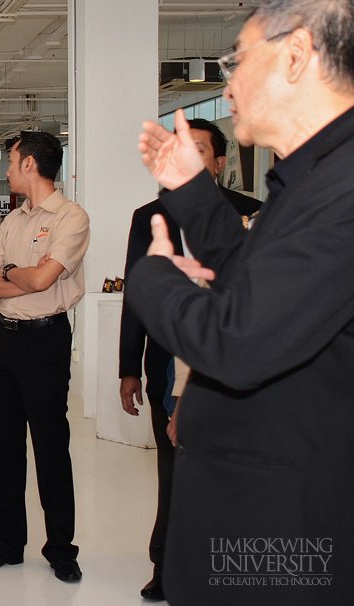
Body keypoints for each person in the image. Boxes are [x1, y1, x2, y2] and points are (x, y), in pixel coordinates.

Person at [130, 1, 354, 604]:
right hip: (257, 503)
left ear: (297, 54)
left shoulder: (343, 186)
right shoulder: (311, 178)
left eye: (236, 60)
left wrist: (151, 280)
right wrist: (193, 193)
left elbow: (238, 341)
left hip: (284, 521)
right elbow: (256, 290)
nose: (226, 86)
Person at [118, 117, 260, 601]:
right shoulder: (151, 215)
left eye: (201, 149)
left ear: (220, 163)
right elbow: (137, 295)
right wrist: (127, 368)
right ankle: (166, 564)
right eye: (184, 147)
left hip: (232, 371)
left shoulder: (252, 214)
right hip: (166, 367)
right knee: (172, 471)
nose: (191, 155)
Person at [0, 131, 89, 584]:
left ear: (32, 165)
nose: (7, 170)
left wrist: (12, 274)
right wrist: (24, 276)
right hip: (4, 343)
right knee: (2, 447)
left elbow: (42, 282)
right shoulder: (11, 221)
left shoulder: (71, 218)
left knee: (51, 448)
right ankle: (6, 542)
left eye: (12, 161)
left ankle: (61, 548)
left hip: (45, 341)